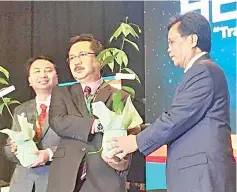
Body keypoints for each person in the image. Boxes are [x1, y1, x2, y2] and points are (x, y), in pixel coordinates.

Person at [110, 11, 236, 192]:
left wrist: (136, 141)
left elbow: (176, 118)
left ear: (192, 40)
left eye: (172, 42)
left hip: (203, 177)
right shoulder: (204, 71)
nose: (168, 49)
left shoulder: (202, 71)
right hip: (198, 176)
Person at [47, 34, 130, 192]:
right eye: (72, 58)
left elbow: (124, 132)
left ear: (100, 60)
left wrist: (121, 162)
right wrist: (96, 125)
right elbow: (58, 121)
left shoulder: (119, 96)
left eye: (82, 55)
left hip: (104, 178)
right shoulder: (62, 92)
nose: (76, 61)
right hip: (65, 178)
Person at [4, 56, 60, 192]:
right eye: (36, 71)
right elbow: (7, 149)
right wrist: (13, 148)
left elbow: (76, 145)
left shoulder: (68, 106)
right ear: (29, 80)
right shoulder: (20, 110)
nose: (43, 75)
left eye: (48, 70)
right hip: (23, 184)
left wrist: (49, 153)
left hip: (55, 181)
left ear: (56, 77)